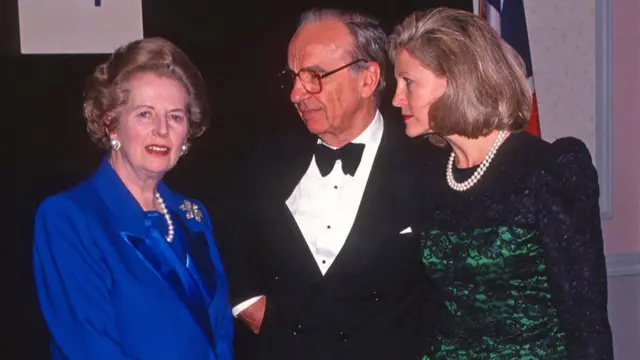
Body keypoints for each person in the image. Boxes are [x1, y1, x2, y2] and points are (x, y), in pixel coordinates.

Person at [388, 7, 614, 359]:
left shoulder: (550, 168)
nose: (396, 98)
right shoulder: (427, 173)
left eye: (408, 82)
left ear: (455, 78)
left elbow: (585, 316)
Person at [214, 8, 437, 360]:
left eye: (315, 76)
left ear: (367, 79)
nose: (296, 95)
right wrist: (246, 303)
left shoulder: (427, 164)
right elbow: (223, 232)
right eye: (293, 77)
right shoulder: (266, 157)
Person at [33, 37, 233, 360]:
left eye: (175, 117)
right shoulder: (69, 218)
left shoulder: (193, 215)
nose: (161, 130)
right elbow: (91, 348)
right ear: (112, 124)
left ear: (187, 134)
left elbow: (220, 331)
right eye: (144, 114)